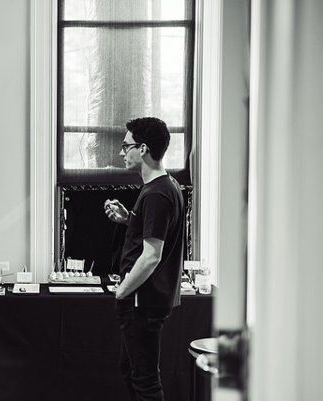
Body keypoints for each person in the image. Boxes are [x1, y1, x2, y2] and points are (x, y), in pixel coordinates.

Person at [104, 117, 184, 401]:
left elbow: (151, 256)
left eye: (126, 147)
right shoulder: (167, 186)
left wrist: (123, 290)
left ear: (144, 149)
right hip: (146, 301)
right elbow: (155, 235)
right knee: (131, 370)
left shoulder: (157, 194)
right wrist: (129, 220)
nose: (122, 153)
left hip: (142, 303)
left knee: (146, 382)